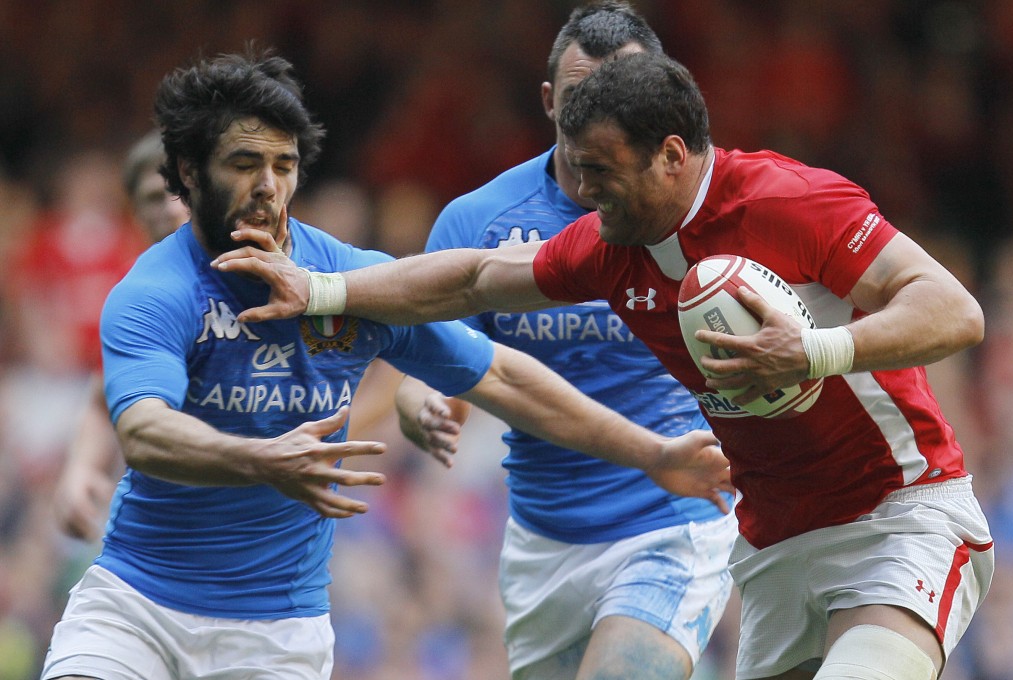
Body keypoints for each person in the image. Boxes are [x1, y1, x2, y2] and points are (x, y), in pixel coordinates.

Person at [217, 51, 994, 680]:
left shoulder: (790, 201)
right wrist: (322, 286)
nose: (580, 191)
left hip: (899, 514)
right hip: (776, 544)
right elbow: (473, 278)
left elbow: (955, 311)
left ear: (672, 156)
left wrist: (817, 350)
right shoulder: (608, 245)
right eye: (572, 167)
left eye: (599, 170)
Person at [41, 48, 732, 680]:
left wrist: (652, 453)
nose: (268, 187)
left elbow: (499, 375)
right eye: (244, 164)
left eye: (284, 166)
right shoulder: (155, 291)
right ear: (190, 173)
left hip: (276, 633)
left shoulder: (351, 281)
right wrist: (261, 459)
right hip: (137, 604)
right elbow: (144, 432)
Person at [391, 4, 736, 679]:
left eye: (627, 98)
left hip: (669, 521)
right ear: (550, 102)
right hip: (542, 542)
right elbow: (436, 358)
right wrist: (420, 396)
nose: (603, 120)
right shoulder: (480, 220)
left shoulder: (703, 214)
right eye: (582, 99)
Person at [53, 130, 191, 542]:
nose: (169, 208)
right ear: (132, 213)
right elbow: (103, 396)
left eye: (180, 191)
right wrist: (80, 470)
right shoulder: (135, 293)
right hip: (171, 514)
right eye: (153, 196)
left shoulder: (257, 270)